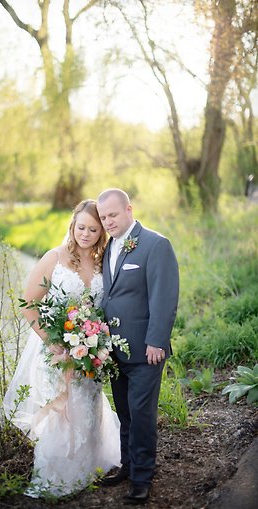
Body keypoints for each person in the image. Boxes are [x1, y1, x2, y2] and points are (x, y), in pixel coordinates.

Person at [3, 199, 121, 497]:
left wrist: (95, 339)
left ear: (101, 232)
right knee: (63, 409)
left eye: (93, 229)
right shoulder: (53, 258)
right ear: (72, 225)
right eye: (81, 227)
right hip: (57, 350)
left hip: (91, 349)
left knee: (89, 404)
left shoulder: (102, 261)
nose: (85, 233)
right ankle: (59, 477)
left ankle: (89, 467)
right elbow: (30, 304)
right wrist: (54, 343)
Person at [96, 188, 179, 505]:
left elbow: (164, 296)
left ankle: (143, 478)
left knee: (142, 414)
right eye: (103, 217)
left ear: (128, 209)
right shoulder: (109, 248)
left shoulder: (156, 245)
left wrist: (157, 339)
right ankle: (128, 466)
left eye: (113, 215)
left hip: (146, 351)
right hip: (115, 352)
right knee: (125, 413)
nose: (108, 222)